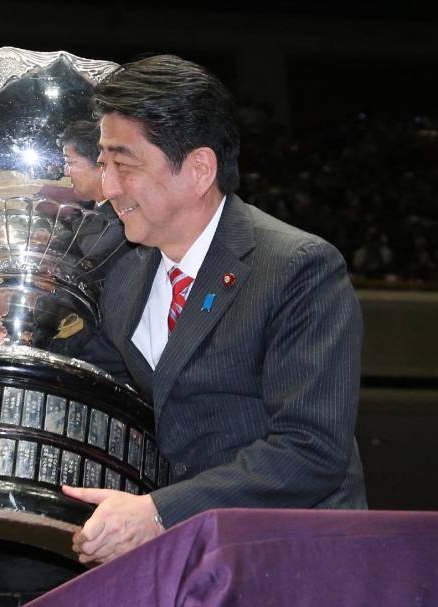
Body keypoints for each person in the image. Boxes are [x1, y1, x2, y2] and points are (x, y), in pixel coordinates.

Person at [62, 54, 367, 565]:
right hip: (187, 561)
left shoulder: (297, 269)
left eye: (125, 164)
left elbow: (310, 450)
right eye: (102, 163)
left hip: (292, 560)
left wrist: (158, 512)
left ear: (199, 169)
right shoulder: (121, 264)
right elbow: (93, 376)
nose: (108, 187)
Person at [59, 120, 106, 206]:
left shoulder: (123, 216)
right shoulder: (90, 210)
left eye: (69, 162)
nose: (66, 173)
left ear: (100, 164)